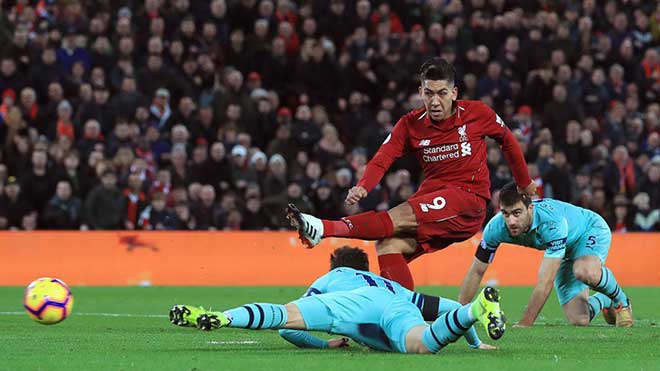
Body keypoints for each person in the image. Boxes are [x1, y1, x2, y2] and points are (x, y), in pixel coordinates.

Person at [287, 57, 535, 290]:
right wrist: (364, 185)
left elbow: (508, 141)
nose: (435, 101)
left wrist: (524, 183)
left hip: (468, 199)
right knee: (388, 245)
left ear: (454, 93)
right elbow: (384, 156)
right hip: (434, 200)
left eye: (442, 93)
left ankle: (322, 227)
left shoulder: (477, 113)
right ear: (420, 93)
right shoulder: (410, 123)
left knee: (400, 214)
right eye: (428, 93)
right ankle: (405, 317)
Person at [170, 246, 506, 354]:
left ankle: (226, 317)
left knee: (282, 315)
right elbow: (448, 307)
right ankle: (480, 307)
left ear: (336, 267)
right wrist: (475, 344)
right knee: (424, 343)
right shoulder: (389, 284)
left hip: (351, 305)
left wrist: (324, 345)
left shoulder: (330, 279)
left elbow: (289, 330)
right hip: (394, 306)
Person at [458, 182, 633, 328]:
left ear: (530, 208)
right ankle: (604, 299)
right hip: (565, 250)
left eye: (517, 213)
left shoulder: (551, 223)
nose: (511, 221)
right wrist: (459, 316)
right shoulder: (495, 228)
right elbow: (477, 271)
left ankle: (621, 301)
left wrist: (525, 324)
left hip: (588, 230)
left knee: (584, 271)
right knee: (580, 320)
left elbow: (545, 282)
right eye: (506, 213)